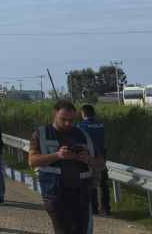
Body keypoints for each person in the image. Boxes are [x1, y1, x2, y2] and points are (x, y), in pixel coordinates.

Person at [29, 100, 96, 234]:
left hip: (81, 193)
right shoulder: (41, 133)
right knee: (63, 230)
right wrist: (58, 155)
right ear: (55, 115)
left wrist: (88, 159)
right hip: (55, 194)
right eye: (63, 119)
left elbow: (100, 162)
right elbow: (32, 161)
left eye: (71, 120)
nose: (67, 123)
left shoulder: (82, 134)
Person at [77, 104, 109, 216]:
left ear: (83, 113)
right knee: (103, 183)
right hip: (102, 157)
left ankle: (94, 208)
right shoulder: (101, 125)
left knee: (91, 183)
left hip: (89, 158)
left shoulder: (80, 126)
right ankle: (106, 208)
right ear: (93, 113)